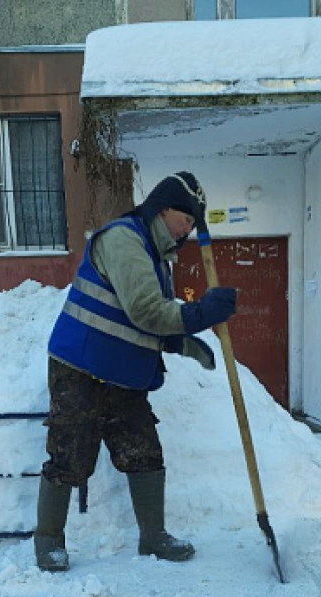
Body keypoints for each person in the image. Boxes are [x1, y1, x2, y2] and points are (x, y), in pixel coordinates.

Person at [34, 172, 237, 572]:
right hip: (82, 366)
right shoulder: (124, 240)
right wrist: (200, 315)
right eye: (186, 220)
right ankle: (48, 542)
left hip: (123, 374)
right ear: (163, 211)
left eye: (195, 224)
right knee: (70, 455)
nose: (189, 230)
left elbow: (137, 322)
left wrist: (179, 342)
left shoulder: (156, 255)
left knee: (144, 451)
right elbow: (145, 309)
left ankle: (153, 536)